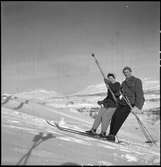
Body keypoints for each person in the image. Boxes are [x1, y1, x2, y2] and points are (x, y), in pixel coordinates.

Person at [106, 66, 145, 142]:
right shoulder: (123, 83)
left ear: (130, 72)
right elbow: (118, 92)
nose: (126, 74)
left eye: (127, 72)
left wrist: (137, 106)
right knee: (114, 117)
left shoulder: (137, 81)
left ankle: (112, 135)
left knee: (120, 118)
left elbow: (140, 94)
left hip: (130, 103)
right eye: (124, 73)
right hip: (123, 102)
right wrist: (110, 87)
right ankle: (111, 134)